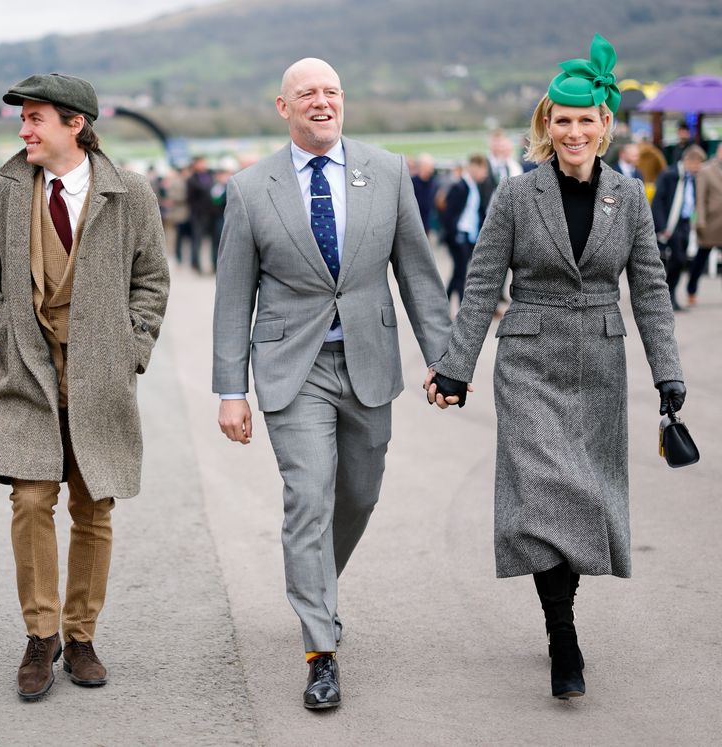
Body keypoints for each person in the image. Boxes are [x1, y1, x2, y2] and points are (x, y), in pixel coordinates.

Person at [427, 35, 686, 701]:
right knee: (544, 496)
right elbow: (482, 283)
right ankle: (562, 632)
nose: (573, 131)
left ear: (605, 124)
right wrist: (455, 367)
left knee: (584, 496)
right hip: (529, 358)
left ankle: (562, 618)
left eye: (585, 119)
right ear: (548, 125)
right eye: (560, 120)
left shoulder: (628, 198)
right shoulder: (516, 196)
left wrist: (669, 374)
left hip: (600, 359)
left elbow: (651, 290)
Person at [212, 58, 450, 710]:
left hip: (369, 360)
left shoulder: (389, 172)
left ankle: (313, 582)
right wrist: (231, 389)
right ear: (284, 107)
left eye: (331, 91)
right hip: (296, 369)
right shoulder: (250, 189)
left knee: (360, 494)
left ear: (342, 102)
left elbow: (419, 275)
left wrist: (443, 357)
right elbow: (233, 298)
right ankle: (321, 646)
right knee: (309, 497)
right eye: (307, 93)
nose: (322, 101)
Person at [0, 73, 169, 701]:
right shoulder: (3, 192)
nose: (23, 130)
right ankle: (40, 635)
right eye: (22, 120)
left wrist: (132, 348)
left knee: (93, 508)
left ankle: (81, 637)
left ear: (75, 124)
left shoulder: (130, 195)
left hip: (100, 377)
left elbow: (152, 282)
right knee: (29, 503)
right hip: (27, 373)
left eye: (35, 119)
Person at [653, 145, 706, 310]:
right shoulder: (670, 174)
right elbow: (658, 202)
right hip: (671, 224)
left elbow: (693, 201)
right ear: (688, 160)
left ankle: (670, 294)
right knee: (679, 258)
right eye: (697, 164)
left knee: (680, 260)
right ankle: (667, 294)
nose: (698, 168)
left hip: (684, 224)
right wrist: (661, 227)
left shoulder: (693, 177)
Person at [441, 154, 490, 305]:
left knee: (458, 272)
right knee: (461, 273)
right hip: (459, 236)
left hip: (470, 236)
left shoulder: (474, 187)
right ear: (475, 168)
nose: (485, 174)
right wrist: (453, 234)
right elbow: (448, 214)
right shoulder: (460, 186)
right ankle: (461, 307)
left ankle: (445, 304)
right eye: (483, 170)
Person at [690, 148, 722, 305]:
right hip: (710, 223)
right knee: (700, 259)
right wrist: (700, 221)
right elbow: (700, 198)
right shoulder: (706, 170)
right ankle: (691, 290)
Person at [187, 156, 215, 273]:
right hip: (198, 214)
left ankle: (214, 264)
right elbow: (190, 198)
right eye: (201, 163)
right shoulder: (192, 179)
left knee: (214, 240)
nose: (203, 165)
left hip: (211, 213)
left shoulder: (210, 176)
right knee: (197, 240)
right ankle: (195, 264)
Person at [411, 152, 438, 234]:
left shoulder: (433, 182)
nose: (432, 168)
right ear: (422, 166)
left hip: (426, 225)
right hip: (413, 226)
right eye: (430, 166)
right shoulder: (411, 182)